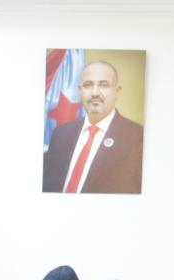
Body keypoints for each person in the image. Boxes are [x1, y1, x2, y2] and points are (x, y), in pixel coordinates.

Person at [42, 60, 144, 194]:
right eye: (88, 85)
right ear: (80, 90)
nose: (95, 93)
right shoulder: (60, 134)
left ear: (117, 91)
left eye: (104, 85)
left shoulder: (138, 138)